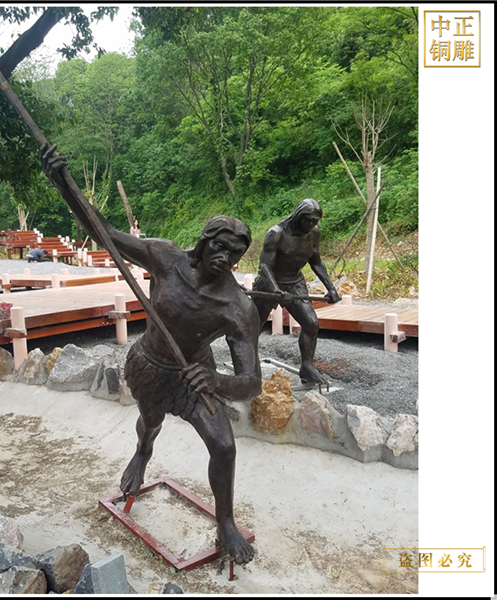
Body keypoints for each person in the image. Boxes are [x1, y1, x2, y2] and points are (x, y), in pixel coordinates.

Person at [40, 143, 262, 565]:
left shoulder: (238, 308)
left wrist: (216, 381)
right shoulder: (165, 258)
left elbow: (252, 383)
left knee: (224, 446)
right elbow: (106, 233)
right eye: (219, 247)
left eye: (234, 253)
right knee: (150, 422)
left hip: (195, 376)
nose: (225, 258)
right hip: (151, 365)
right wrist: (63, 185)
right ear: (204, 241)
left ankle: (226, 522)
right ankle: (143, 453)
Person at [252, 198, 340, 384]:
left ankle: (307, 367)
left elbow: (316, 262)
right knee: (254, 326)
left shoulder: (314, 233)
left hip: (295, 282)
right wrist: (276, 290)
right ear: (298, 216)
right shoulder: (276, 233)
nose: (311, 224)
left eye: (315, 221)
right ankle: (249, 365)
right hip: (269, 282)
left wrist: (331, 288)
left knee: (311, 323)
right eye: (307, 220)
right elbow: (264, 266)